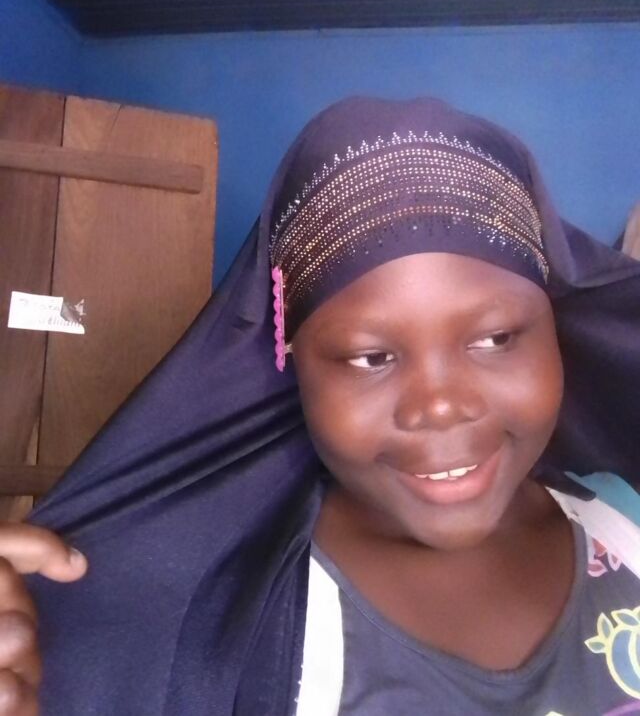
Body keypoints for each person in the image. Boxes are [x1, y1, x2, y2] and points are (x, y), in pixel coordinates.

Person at [0, 96, 640, 715]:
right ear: (291, 358)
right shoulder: (206, 629)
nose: (440, 406)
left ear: (555, 331)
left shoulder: (626, 519)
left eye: (496, 339)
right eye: (371, 357)